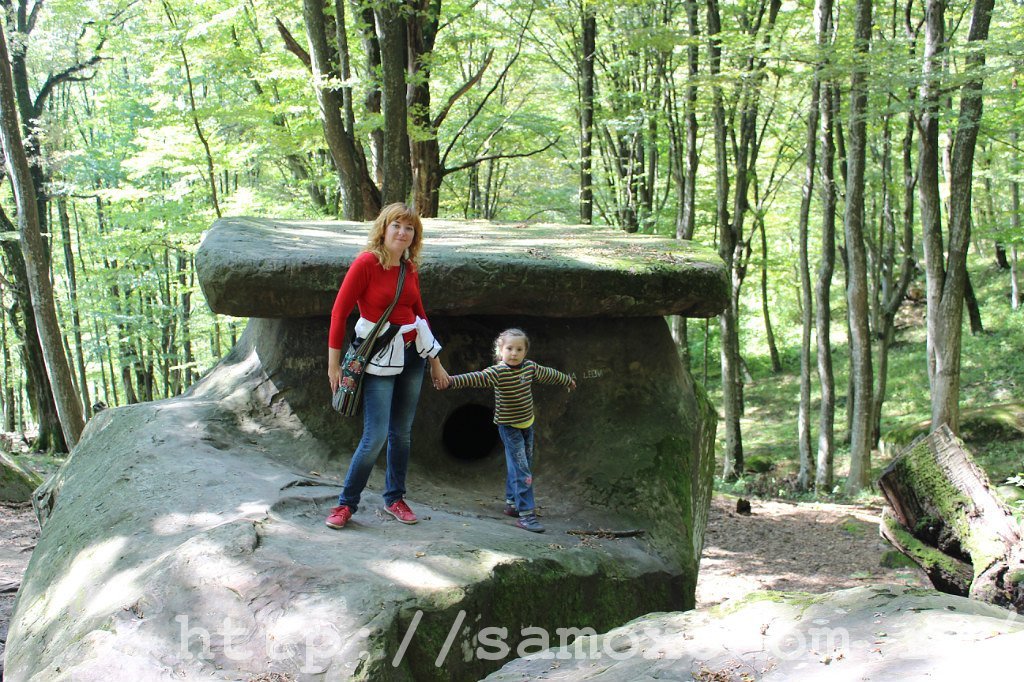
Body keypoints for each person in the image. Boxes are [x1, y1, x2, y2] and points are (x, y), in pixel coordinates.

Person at [325, 203, 450, 530]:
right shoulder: (366, 263)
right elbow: (339, 313)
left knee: (402, 433)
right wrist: (333, 365)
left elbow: (419, 315)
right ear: (384, 227)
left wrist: (435, 363)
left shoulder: (409, 269)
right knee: (376, 434)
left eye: (409, 228)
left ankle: (394, 498)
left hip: (412, 356)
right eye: (397, 225)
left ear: (414, 236)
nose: (402, 232)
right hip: (379, 358)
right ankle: (345, 505)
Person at [440, 328, 575, 533]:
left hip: (527, 425)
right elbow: (475, 378)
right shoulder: (498, 372)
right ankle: (526, 515)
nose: (514, 353)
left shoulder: (529, 368)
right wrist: (450, 381)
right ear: (500, 351)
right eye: (509, 348)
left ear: (525, 352)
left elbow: (549, 374)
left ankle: (512, 503)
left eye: (519, 349)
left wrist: (566, 380)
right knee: (522, 469)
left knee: (523, 464)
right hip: (509, 427)